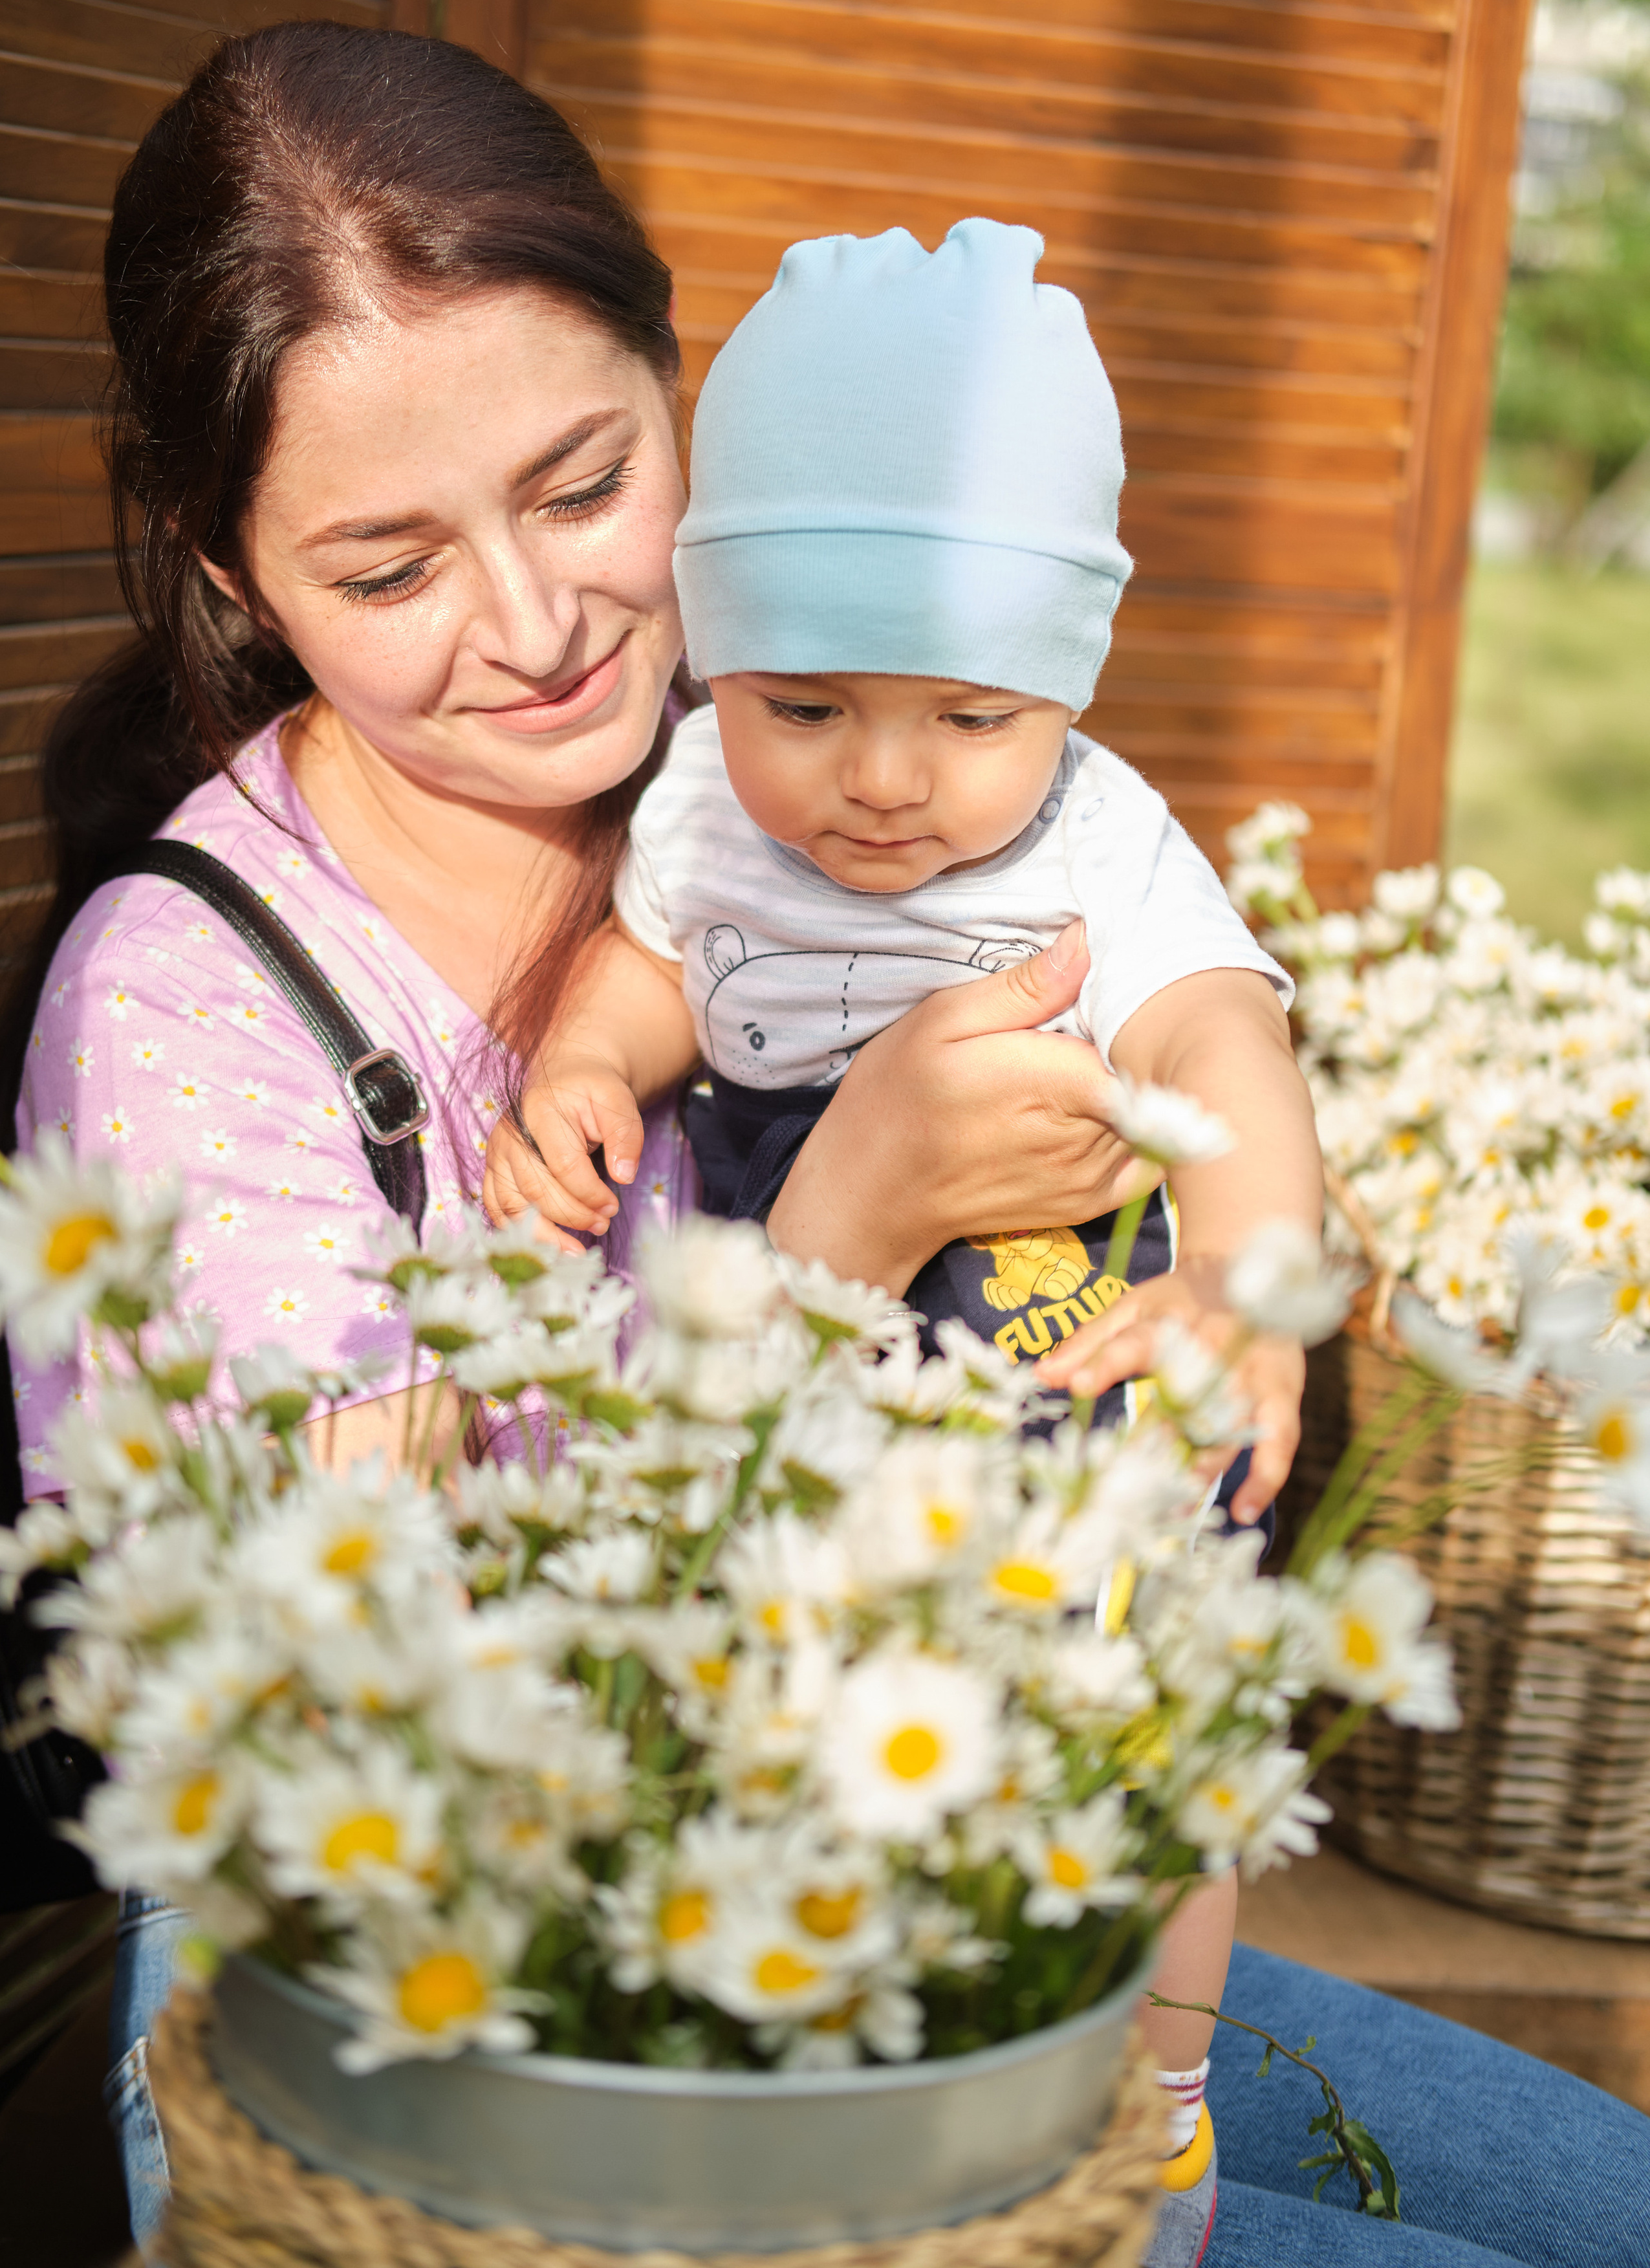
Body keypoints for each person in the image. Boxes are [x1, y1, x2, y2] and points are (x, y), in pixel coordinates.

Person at [0, 23, 1644, 2267]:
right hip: (460, 2018)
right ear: (237, 568)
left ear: (705, 409)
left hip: (905, 1865)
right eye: (388, 569)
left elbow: (1190, 1003)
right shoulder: (186, 999)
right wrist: (855, 1213)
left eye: (586, 485)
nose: (541, 619)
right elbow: (380, 1732)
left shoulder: (807, 754)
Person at [480, 217, 1322, 2256]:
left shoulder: (1097, 836)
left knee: (1146, 1751)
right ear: (719, 656)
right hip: (821, 1351)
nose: (880, 781)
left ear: (1064, 682)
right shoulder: (697, 804)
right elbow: (659, 971)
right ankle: (899, 2061)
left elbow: (1225, 1028)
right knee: (852, 1740)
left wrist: (1243, 1267)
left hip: (1057, 1340)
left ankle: (1168, 2091)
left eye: (967, 715)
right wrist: (590, 1061)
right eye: (807, 700)